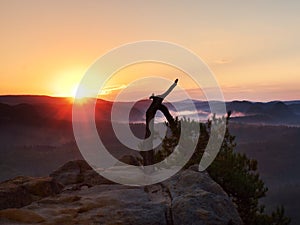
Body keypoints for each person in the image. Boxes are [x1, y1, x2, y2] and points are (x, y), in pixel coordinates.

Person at [142, 79, 178, 166]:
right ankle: (148, 165)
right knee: (148, 142)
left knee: (147, 141)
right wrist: (174, 84)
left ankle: (148, 165)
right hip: (149, 121)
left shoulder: (157, 104)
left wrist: (174, 84)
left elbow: (167, 91)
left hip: (149, 121)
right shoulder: (159, 102)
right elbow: (168, 91)